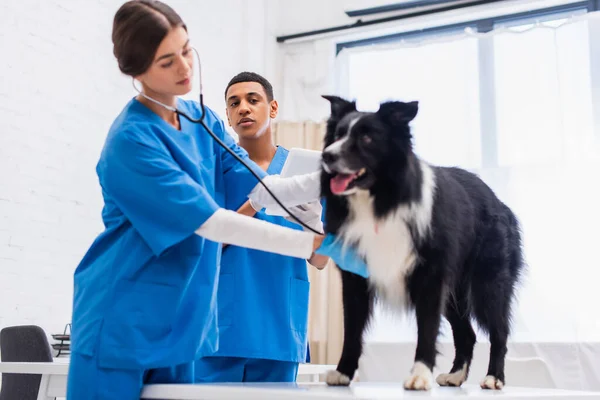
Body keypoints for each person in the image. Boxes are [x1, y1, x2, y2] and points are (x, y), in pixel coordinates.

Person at [194, 72, 327, 383]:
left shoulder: (304, 174)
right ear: (226, 116)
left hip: (279, 322)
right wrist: (254, 204)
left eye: (253, 100)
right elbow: (203, 244)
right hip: (221, 326)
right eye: (234, 103)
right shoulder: (215, 171)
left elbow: (321, 260)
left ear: (273, 108)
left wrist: (314, 227)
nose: (244, 108)